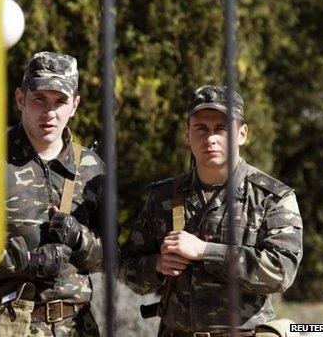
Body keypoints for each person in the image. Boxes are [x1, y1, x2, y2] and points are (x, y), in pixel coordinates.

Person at [119, 85, 303, 336]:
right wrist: (157, 265)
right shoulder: (162, 197)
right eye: (201, 129)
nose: (211, 139)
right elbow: (127, 268)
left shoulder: (271, 198)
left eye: (222, 129)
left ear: (242, 134)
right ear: (188, 135)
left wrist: (205, 251)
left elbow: (282, 271)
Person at [0, 51, 105, 337]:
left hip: (76, 328)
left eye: (60, 101)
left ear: (75, 105)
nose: (50, 113)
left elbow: (111, 257)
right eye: (39, 100)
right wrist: (23, 262)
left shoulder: (91, 168)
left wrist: (79, 239)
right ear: (21, 98)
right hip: (6, 327)